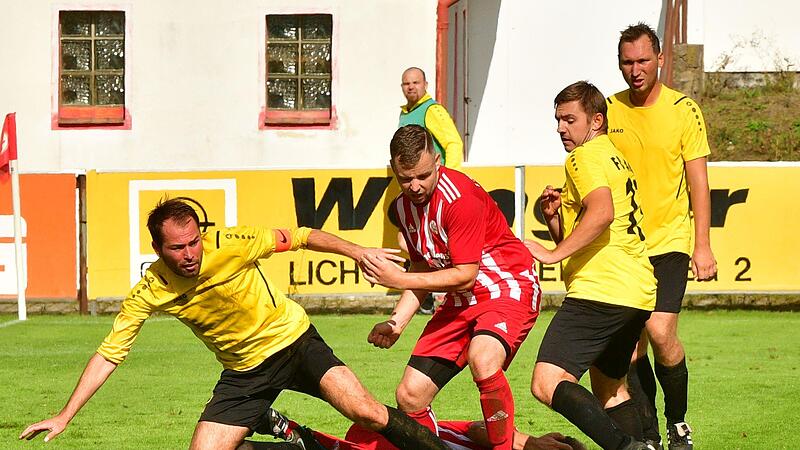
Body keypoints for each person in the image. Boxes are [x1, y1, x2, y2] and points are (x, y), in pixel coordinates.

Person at [19, 198, 449, 450]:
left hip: (296, 343)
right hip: (245, 374)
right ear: (157, 247)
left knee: (367, 413)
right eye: (177, 248)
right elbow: (109, 355)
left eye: (194, 242)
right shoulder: (150, 291)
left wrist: (356, 252)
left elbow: (299, 236)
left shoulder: (231, 242)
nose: (190, 254)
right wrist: (65, 415)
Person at [360, 124, 541, 450]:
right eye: (405, 178)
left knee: (483, 360)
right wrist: (396, 322)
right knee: (410, 395)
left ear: (438, 162)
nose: (414, 186)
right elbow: (421, 267)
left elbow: (466, 274)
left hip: (506, 287)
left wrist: (397, 279)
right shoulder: (402, 208)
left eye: (423, 175)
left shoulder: (461, 200)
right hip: (460, 302)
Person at [523, 81, 656, 450]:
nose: (561, 128)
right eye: (557, 120)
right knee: (610, 389)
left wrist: (553, 254)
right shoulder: (613, 154)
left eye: (569, 119)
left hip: (603, 289)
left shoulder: (581, 158)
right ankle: (645, 445)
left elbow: (602, 213)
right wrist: (555, 222)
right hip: (635, 289)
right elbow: (599, 226)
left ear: (596, 120)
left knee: (546, 382)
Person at [607, 23, 717, 450]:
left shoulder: (683, 110)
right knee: (631, 350)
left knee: (661, 334)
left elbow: (699, 183)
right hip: (625, 247)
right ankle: (650, 434)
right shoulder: (609, 111)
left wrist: (702, 245)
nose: (635, 70)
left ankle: (678, 422)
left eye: (642, 61)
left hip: (670, 242)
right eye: (627, 62)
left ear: (660, 60)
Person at [398, 66, 465, 314]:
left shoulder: (432, 110)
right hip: (418, 193)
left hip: (436, 190)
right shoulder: (406, 114)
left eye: (415, 82)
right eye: (406, 83)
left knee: (434, 243)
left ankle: (438, 293)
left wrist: (453, 177)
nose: (411, 87)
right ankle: (428, 293)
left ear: (425, 84)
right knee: (411, 241)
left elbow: (453, 142)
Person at [245, 407, 587, 450]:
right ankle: (295, 433)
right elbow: (478, 428)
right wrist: (527, 442)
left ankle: (291, 433)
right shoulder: (502, 442)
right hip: (400, 433)